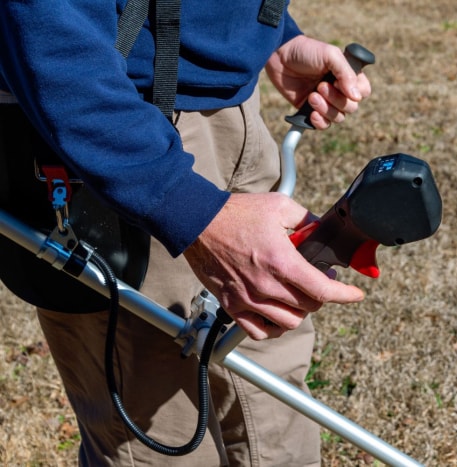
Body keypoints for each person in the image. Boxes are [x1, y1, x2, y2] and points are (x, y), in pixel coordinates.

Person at [0, 0, 370, 465]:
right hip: (118, 135)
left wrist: (267, 37)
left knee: (273, 391)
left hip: (233, 113)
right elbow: (50, 27)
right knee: (157, 427)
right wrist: (181, 203)